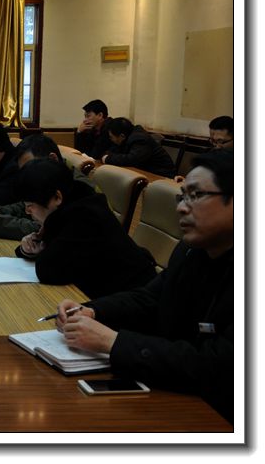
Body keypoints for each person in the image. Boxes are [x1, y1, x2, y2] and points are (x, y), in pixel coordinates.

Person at [55, 149, 233, 423]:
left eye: (196, 195)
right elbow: (150, 299)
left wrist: (113, 342)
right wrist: (92, 311)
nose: (181, 207)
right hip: (178, 394)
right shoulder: (191, 251)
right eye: (182, 196)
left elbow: (219, 367)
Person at [14, 158, 157, 298]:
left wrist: (42, 248)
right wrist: (28, 249)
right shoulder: (74, 202)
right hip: (110, 293)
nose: (27, 211)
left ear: (57, 197)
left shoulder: (86, 216)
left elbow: (47, 271)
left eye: (30, 205)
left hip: (135, 298)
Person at [0, 133, 62, 240]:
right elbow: (23, 206)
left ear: (53, 159)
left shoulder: (74, 189)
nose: (26, 175)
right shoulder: (45, 182)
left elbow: (48, 228)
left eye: (30, 167)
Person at [102, 117, 176, 177]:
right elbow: (112, 152)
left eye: (111, 137)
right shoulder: (126, 137)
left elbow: (131, 160)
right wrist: (108, 156)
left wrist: (108, 159)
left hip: (162, 176)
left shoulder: (140, 139)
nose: (111, 140)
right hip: (146, 172)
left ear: (122, 136)